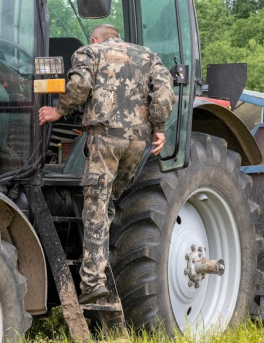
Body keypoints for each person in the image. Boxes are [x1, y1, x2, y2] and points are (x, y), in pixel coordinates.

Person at [38, 24, 175, 304]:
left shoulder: (89, 51)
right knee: (111, 198)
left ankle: (92, 282)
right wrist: (159, 127)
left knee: (96, 207)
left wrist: (59, 110)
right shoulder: (147, 55)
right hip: (138, 141)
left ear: (95, 38)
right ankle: (111, 259)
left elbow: (80, 85)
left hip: (105, 138)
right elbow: (163, 92)